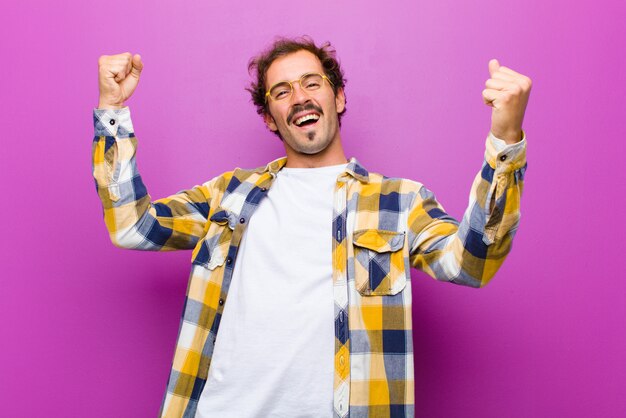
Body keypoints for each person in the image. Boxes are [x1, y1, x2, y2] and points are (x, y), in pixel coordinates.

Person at [93, 36, 531, 418]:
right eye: (281, 91)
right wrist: (112, 111)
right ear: (269, 117)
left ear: (338, 97)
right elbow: (134, 225)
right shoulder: (228, 195)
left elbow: (473, 263)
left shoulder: (400, 202)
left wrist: (506, 141)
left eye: (311, 82)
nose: (299, 97)